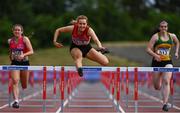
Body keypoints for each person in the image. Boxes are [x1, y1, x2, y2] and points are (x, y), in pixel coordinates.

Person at [146, 20, 179, 111]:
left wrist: (176, 52)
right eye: (161, 27)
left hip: (167, 62)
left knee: (166, 81)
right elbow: (148, 49)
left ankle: (165, 103)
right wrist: (155, 55)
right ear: (159, 28)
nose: (163, 28)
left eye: (165, 27)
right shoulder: (155, 37)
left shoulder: (172, 36)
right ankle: (160, 79)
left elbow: (177, 42)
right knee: (157, 86)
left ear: (167, 28)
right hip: (156, 62)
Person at [8, 24, 34, 108]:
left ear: (21, 31)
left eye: (18, 30)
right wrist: (11, 57)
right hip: (15, 63)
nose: (17, 31)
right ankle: (16, 101)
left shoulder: (25, 39)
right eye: (15, 30)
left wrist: (24, 55)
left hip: (24, 63)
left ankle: (23, 87)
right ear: (13, 31)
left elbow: (31, 51)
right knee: (15, 81)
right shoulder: (10, 41)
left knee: (24, 85)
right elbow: (11, 51)